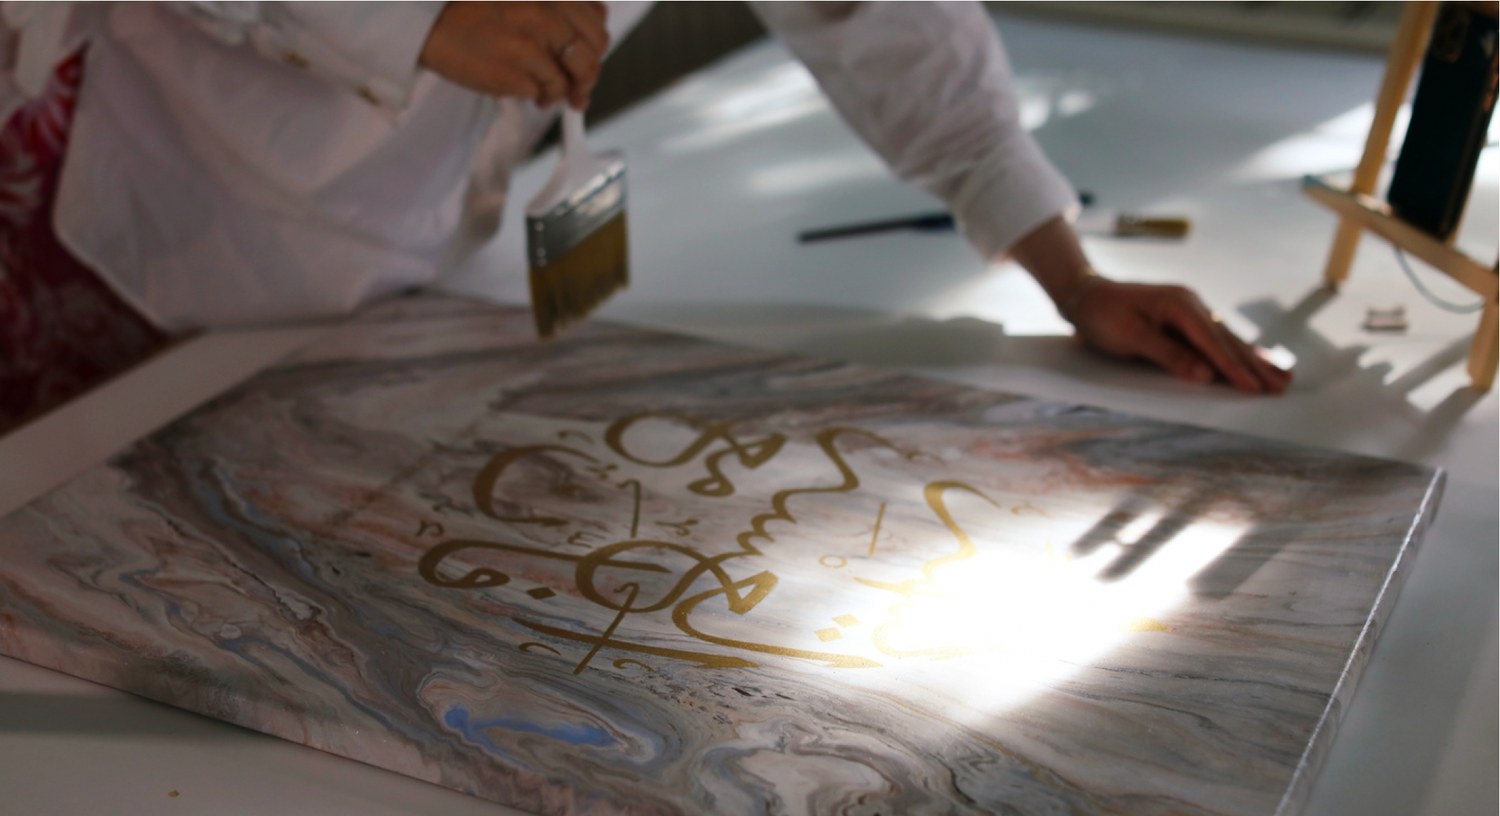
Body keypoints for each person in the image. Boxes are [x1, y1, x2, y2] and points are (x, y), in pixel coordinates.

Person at [0, 1, 1288, 429]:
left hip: (411, 259)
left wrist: (1069, 276)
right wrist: (405, 16)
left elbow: (886, 22)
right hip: (129, 201)